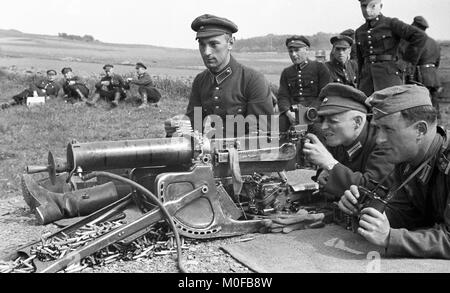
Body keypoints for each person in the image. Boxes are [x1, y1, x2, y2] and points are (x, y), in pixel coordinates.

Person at [339, 84, 450, 259]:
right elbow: (409, 214)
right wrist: (364, 211)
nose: (380, 139)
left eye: (388, 129)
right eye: (377, 129)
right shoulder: (408, 158)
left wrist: (391, 238)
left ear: (420, 130)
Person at [182, 14, 274, 138]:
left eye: (213, 44)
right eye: (202, 44)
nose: (206, 52)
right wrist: (181, 128)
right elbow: (194, 124)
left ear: (230, 43)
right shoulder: (200, 81)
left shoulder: (253, 80)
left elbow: (262, 135)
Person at [302, 83, 394, 200]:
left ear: (357, 122)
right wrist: (323, 171)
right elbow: (332, 166)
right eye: (323, 120)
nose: (324, 127)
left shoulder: (383, 143)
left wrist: (328, 163)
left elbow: (373, 190)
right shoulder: (340, 139)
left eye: (333, 121)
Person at [355, 0, 427, 96]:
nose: (367, 10)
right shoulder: (359, 31)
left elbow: (419, 36)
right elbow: (361, 61)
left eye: (372, 6)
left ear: (380, 6)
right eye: (364, 6)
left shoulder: (391, 23)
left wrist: (406, 62)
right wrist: (360, 82)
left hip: (389, 78)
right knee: (365, 109)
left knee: (391, 109)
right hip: (366, 82)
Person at [277, 35, 331, 132]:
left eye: (297, 50)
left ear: (306, 50)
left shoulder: (320, 68)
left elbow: (324, 95)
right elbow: (282, 96)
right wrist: (288, 113)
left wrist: (310, 112)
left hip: (315, 114)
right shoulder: (286, 72)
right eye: (290, 51)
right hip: (292, 115)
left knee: (319, 132)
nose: (293, 54)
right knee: (276, 132)